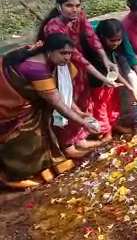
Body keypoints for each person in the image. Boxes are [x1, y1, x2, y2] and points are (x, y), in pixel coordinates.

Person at [0, 34, 101, 189]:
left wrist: (80, 113)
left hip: (31, 103)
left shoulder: (59, 64)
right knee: (25, 137)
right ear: (49, 51)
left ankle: (45, 165)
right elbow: (58, 103)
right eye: (62, 53)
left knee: (42, 131)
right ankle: (17, 176)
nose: (67, 57)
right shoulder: (36, 68)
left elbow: (64, 93)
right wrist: (83, 122)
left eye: (69, 53)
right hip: (12, 106)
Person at [38, 0, 122, 150]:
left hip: (79, 67)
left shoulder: (80, 17)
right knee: (68, 101)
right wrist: (103, 78)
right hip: (62, 68)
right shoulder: (53, 27)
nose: (74, 9)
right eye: (69, 5)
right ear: (59, 7)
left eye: (77, 5)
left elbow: (92, 37)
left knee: (84, 99)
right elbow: (76, 56)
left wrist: (106, 60)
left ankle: (81, 139)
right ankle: (68, 144)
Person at [84, 19, 137, 137]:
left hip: (109, 78)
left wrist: (135, 86)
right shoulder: (95, 48)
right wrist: (129, 87)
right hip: (97, 80)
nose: (116, 43)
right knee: (101, 106)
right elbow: (112, 71)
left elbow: (120, 67)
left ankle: (115, 125)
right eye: (112, 40)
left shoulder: (116, 39)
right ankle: (106, 133)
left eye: (119, 40)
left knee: (113, 101)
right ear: (102, 36)